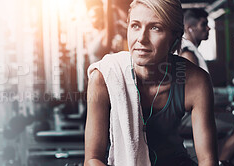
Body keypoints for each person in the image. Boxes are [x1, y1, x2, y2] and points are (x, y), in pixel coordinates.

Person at [84, 0, 218, 166]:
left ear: (174, 36)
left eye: (156, 28)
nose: (141, 38)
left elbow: (207, 160)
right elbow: (92, 159)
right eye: (135, 26)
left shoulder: (197, 82)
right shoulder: (104, 78)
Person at [180, 8, 234, 166]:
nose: (208, 28)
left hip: (196, 110)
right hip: (187, 118)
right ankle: (220, 162)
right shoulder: (187, 54)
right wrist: (229, 95)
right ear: (190, 28)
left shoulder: (193, 51)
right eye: (204, 25)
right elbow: (196, 95)